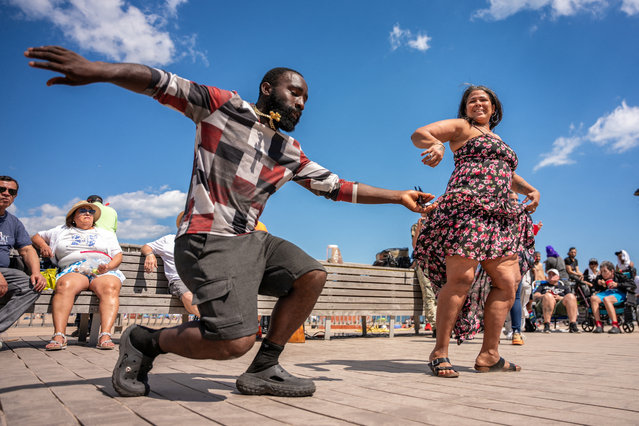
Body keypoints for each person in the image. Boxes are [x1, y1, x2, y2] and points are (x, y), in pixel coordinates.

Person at [25, 45, 434, 397]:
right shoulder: (223, 107)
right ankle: (144, 341)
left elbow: (337, 187)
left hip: (250, 240)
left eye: (306, 99)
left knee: (311, 274)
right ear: (267, 89)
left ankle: (264, 369)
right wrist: (98, 70)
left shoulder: (288, 149)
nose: (302, 103)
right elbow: (161, 81)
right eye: (295, 92)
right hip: (206, 241)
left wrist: (398, 197)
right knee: (233, 341)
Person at [411, 85, 539, 377]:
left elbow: (506, 174)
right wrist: (437, 144)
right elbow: (420, 133)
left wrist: (531, 190)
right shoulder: (462, 127)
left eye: (484, 100)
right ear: (465, 108)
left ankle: (489, 355)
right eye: (472, 100)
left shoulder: (498, 140)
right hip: (467, 208)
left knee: (508, 282)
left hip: (501, 215)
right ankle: (440, 352)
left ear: (494, 108)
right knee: (461, 278)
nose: (478, 103)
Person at [31, 201, 125, 350]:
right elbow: (36, 236)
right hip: (74, 269)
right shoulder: (61, 230)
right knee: (64, 285)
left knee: (111, 286)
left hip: (101, 268)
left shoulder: (106, 234)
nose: (88, 213)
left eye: (91, 211)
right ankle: (59, 335)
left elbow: (118, 255)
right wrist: (43, 245)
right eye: (82, 210)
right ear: (73, 216)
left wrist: (108, 267)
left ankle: (105, 334)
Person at [0, 176, 47, 334]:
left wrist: (36, 273)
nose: (6, 193)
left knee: (33, 286)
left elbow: (27, 249)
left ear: (14, 197)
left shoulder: (13, 222)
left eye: (11, 192)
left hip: (5, 273)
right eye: (2, 189)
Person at [141, 212, 200, 318]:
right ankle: (215, 327)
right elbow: (146, 246)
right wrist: (149, 254)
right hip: (179, 280)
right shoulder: (168, 240)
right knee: (189, 297)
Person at [590, 260, 636, 334]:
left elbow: (632, 284)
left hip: (619, 293)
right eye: (601, 271)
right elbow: (593, 288)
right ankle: (599, 324)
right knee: (593, 298)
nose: (603, 274)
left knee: (606, 299)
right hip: (606, 293)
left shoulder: (619, 275)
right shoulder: (600, 277)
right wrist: (598, 283)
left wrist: (617, 284)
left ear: (612, 271)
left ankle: (615, 325)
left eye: (605, 271)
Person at [411, 213, 437, 336]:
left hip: (438, 263)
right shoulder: (417, 226)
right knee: (429, 296)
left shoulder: (438, 224)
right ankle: (436, 327)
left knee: (440, 296)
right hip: (423, 263)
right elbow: (415, 246)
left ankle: (443, 326)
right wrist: (420, 228)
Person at [532, 268, 579, 333]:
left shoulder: (564, 287)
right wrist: (545, 295)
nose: (551, 275)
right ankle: (547, 325)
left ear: (558, 277)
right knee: (548, 296)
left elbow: (570, 299)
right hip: (545, 304)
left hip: (560, 306)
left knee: (571, 296)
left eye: (553, 274)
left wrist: (560, 297)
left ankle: (573, 325)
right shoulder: (542, 286)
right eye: (549, 274)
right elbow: (535, 296)